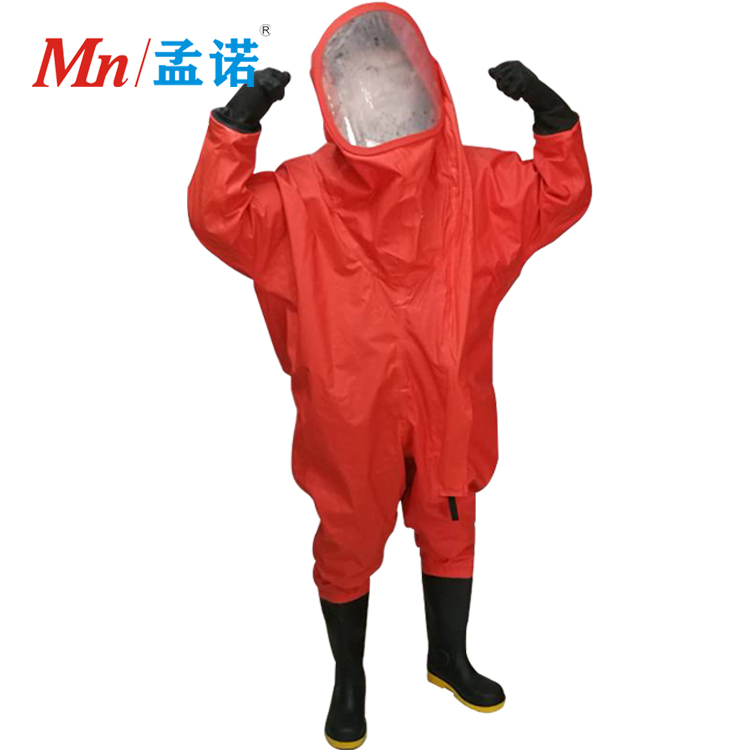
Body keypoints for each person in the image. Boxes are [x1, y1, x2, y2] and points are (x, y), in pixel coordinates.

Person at [187, 3, 591, 747]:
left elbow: (559, 194)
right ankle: (350, 678)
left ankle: (449, 657)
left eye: (391, 77)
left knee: (451, 512)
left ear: (423, 82)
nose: (379, 96)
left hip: (449, 400)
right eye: (361, 82)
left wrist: (552, 115)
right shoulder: (303, 194)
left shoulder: (476, 183)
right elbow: (222, 218)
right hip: (349, 407)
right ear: (334, 98)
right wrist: (236, 127)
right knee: (348, 532)